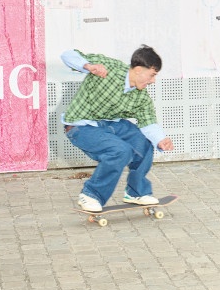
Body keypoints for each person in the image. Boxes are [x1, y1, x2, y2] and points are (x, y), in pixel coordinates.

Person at [61, 45, 174, 212]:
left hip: (110, 125)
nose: (153, 81)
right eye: (152, 75)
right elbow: (68, 55)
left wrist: (161, 139)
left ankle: (136, 192)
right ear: (137, 70)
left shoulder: (141, 96)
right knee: (120, 151)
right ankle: (91, 195)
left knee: (143, 143)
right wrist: (88, 66)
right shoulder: (110, 68)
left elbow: (148, 121)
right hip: (81, 126)